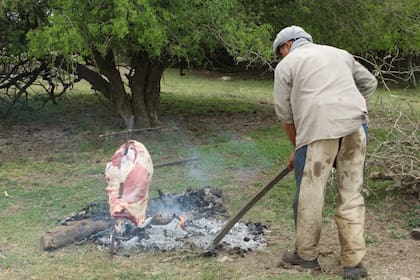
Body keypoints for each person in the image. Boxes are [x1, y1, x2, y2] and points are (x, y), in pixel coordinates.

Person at [272, 25, 377, 279]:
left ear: (287, 45)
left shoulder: (287, 65)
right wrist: (345, 102)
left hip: (318, 130)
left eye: (280, 52)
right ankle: (353, 264)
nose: (281, 58)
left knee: (311, 192)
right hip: (355, 125)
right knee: (352, 193)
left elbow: (285, 116)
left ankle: (306, 257)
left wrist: (297, 147)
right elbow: (369, 83)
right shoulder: (340, 53)